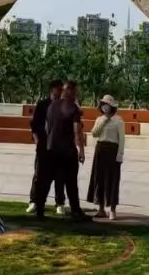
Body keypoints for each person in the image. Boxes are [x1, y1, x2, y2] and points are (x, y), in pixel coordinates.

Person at [33, 79, 88, 221]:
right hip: (67, 151)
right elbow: (77, 132)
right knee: (71, 182)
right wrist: (81, 151)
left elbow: (47, 128)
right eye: (75, 91)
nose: (76, 94)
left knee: (46, 180)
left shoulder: (52, 106)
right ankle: (75, 210)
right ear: (69, 91)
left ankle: (40, 209)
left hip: (51, 149)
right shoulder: (72, 108)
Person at [26, 79, 66, 215]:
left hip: (58, 146)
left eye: (62, 90)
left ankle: (60, 203)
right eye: (58, 89)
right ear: (52, 90)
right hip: (44, 145)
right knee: (39, 174)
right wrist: (37, 140)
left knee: (59, 175)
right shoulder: (42, 105)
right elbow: (35, 124)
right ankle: (34, 201)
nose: (60, 92)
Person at [86, 94, 125, 220]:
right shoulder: (99, 119)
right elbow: (94, 133)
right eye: (103, 104)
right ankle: (101, 208)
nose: (104, 107)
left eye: (107, 105)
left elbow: (122, 139)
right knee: (99, 178)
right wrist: (103, 122)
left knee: (113, 180)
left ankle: (113, 209)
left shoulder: (118, 120)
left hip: (113, 151)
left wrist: (120, 154)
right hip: (100, 150)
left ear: (112, 106)